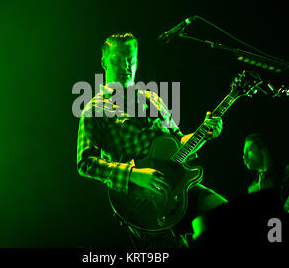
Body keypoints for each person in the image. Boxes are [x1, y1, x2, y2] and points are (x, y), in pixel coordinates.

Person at [76, 32, 227, 247]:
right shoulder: (94, 109)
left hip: (182, 188)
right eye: (117, 59)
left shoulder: (153, 98)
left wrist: (205, 133)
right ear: (104, 62)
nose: (126, 66)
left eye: (131, 60)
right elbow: (85, 163)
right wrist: (134, 175)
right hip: (143, 204)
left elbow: (178, 143)